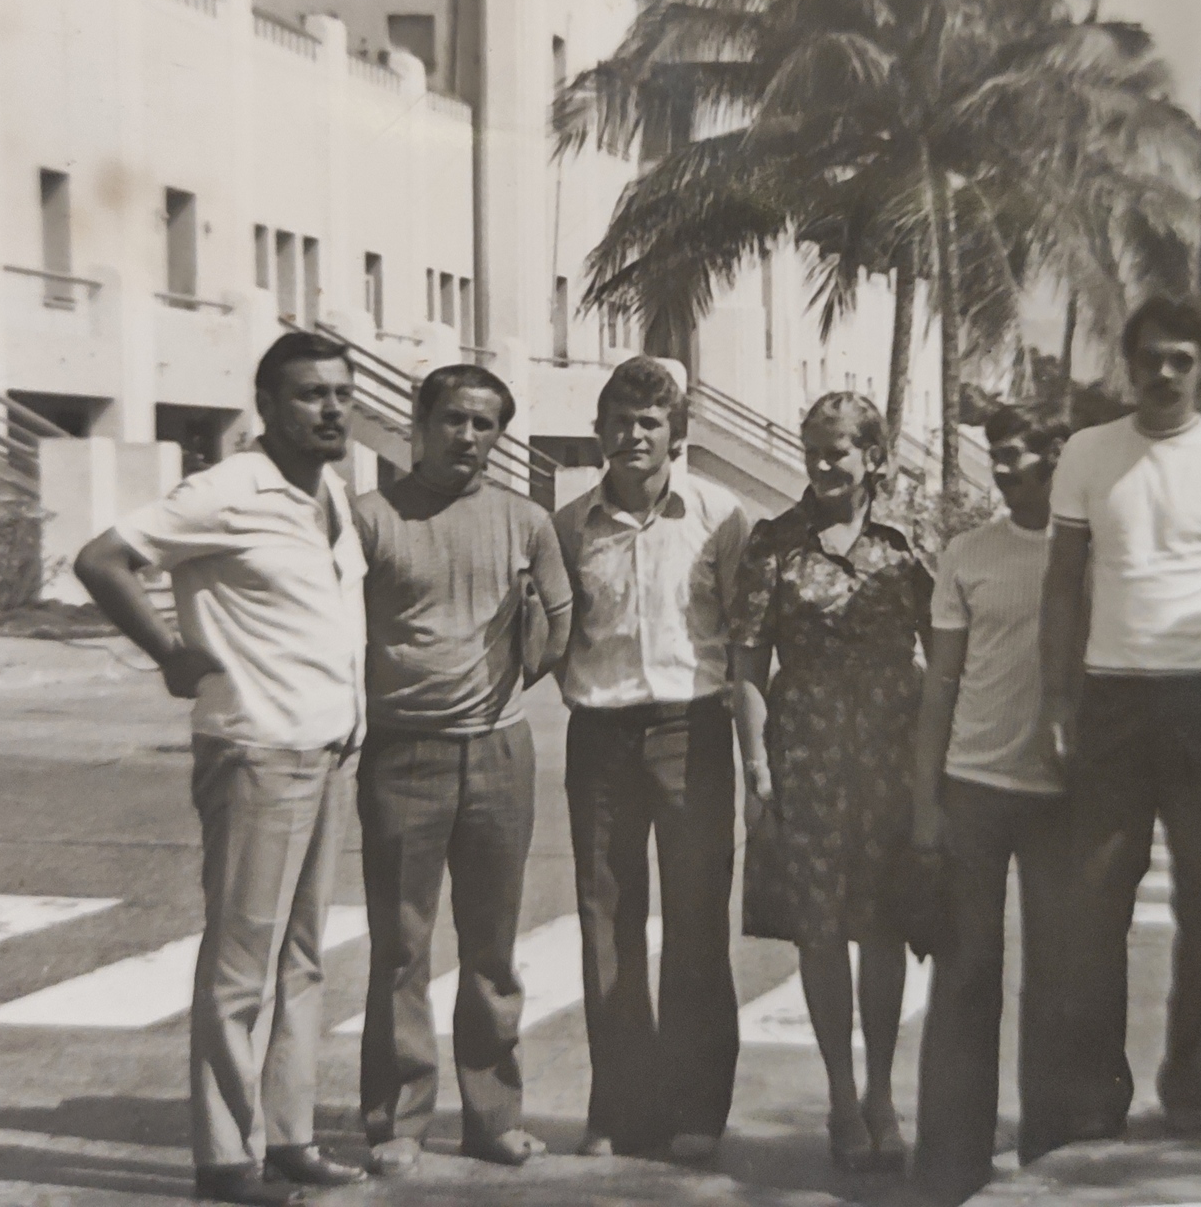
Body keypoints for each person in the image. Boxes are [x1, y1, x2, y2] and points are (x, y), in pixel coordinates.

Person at [73, 331, 370, 1205]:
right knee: (242, 962)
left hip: (327, 750)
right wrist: (168, 650)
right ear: (268, 408)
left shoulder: (332, 494)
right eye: (312, 395)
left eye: (343, 394)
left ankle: (292, 1138)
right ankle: (225, 1159)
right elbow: (102, 559)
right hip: (256, 751)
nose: (332, 409)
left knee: (304, 960)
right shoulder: (228, 490)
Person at [1041, 294, 1201, 1140]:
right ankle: (1098, 1098)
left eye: (1182, 359)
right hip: (1110, 698)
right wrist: (1058, 702)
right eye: (1151, 359)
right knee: (1097, 905)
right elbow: (1063, 584)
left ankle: (1190, 1092)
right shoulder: (1087, 452)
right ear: (1128, 365)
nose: (1165, 374)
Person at [352, 363, 573, 1175]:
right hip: (402, 752)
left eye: (486, 425)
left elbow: (561, 617)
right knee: (402, 948)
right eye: (454, 420)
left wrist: (526, 657)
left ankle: (492, 1117)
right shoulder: (369, 518)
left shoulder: (527, 520)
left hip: (499, 751)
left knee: (492, 949)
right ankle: (397, 1121)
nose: (469, 437)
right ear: (421, 421)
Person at [730, 391, 934, 1174]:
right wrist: (757, 769)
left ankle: (883, 1093)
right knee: (819, 930)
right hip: (807, 753)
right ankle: (841, 1096)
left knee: (883, 926)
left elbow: (942, 655)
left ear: (873, 457)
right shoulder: (774, 544)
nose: (822, 463)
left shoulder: (905, 546)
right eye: (813, 447)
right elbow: (747, 663)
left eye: (839, 449)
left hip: (889, 753)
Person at [552, 356, 749, 1162]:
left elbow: (744, 634)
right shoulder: (568, 525)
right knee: (607, 925)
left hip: (691, 729)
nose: (633, 436)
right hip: (598, 735)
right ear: (599, 430)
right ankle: (621, 1107)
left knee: (697, 923)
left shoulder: (720, 516)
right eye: (619, 421)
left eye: (649, 422)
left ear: (677, 432)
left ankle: (697, 1110)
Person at [910, 405, 1075, 1203]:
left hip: (1059, 796)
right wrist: (925, 801)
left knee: (1056, 978)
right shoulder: (966, 553)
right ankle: (950, 1160)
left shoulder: (1089, 554)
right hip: (973, 787)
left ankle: (1054, 1150)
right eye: (993, 456)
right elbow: (939, 685)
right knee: (966, 972)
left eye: (1014, 455)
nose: (1001, 470)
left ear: (1055, 455)